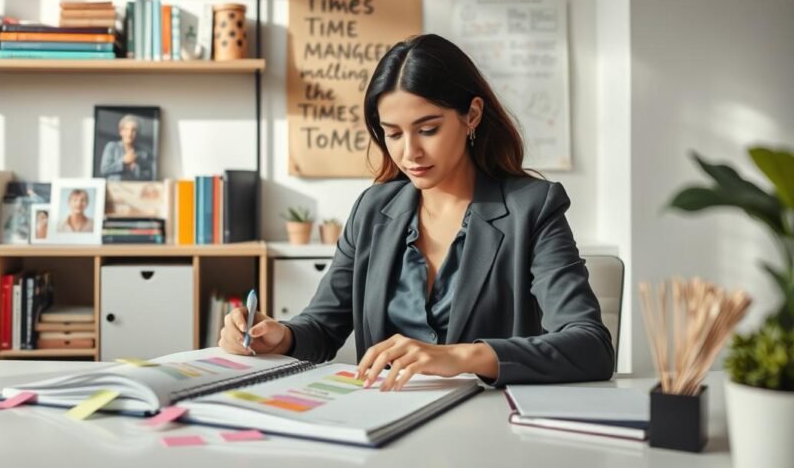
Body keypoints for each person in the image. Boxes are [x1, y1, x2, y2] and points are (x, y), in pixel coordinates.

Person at [219, 34, 614, 389]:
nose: (410, 153)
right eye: (392, 133)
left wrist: (460, 357)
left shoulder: (532, 208)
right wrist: (279, 336)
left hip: (490, 433)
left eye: (427, 129)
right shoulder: (373, 210)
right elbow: (322, 327)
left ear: (471, 115)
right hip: (384, 423)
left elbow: (590, 345)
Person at [99, 114, 154, 180]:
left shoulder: (144, 153)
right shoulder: (112, 146)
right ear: (121, 132)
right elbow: (104, 170)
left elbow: (150, 175)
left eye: (133, 130)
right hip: (114, 188)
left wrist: (135, 168)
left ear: (137, 133)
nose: (129, 134)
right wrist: (123, 162)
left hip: (135, 188)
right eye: (126, 129)